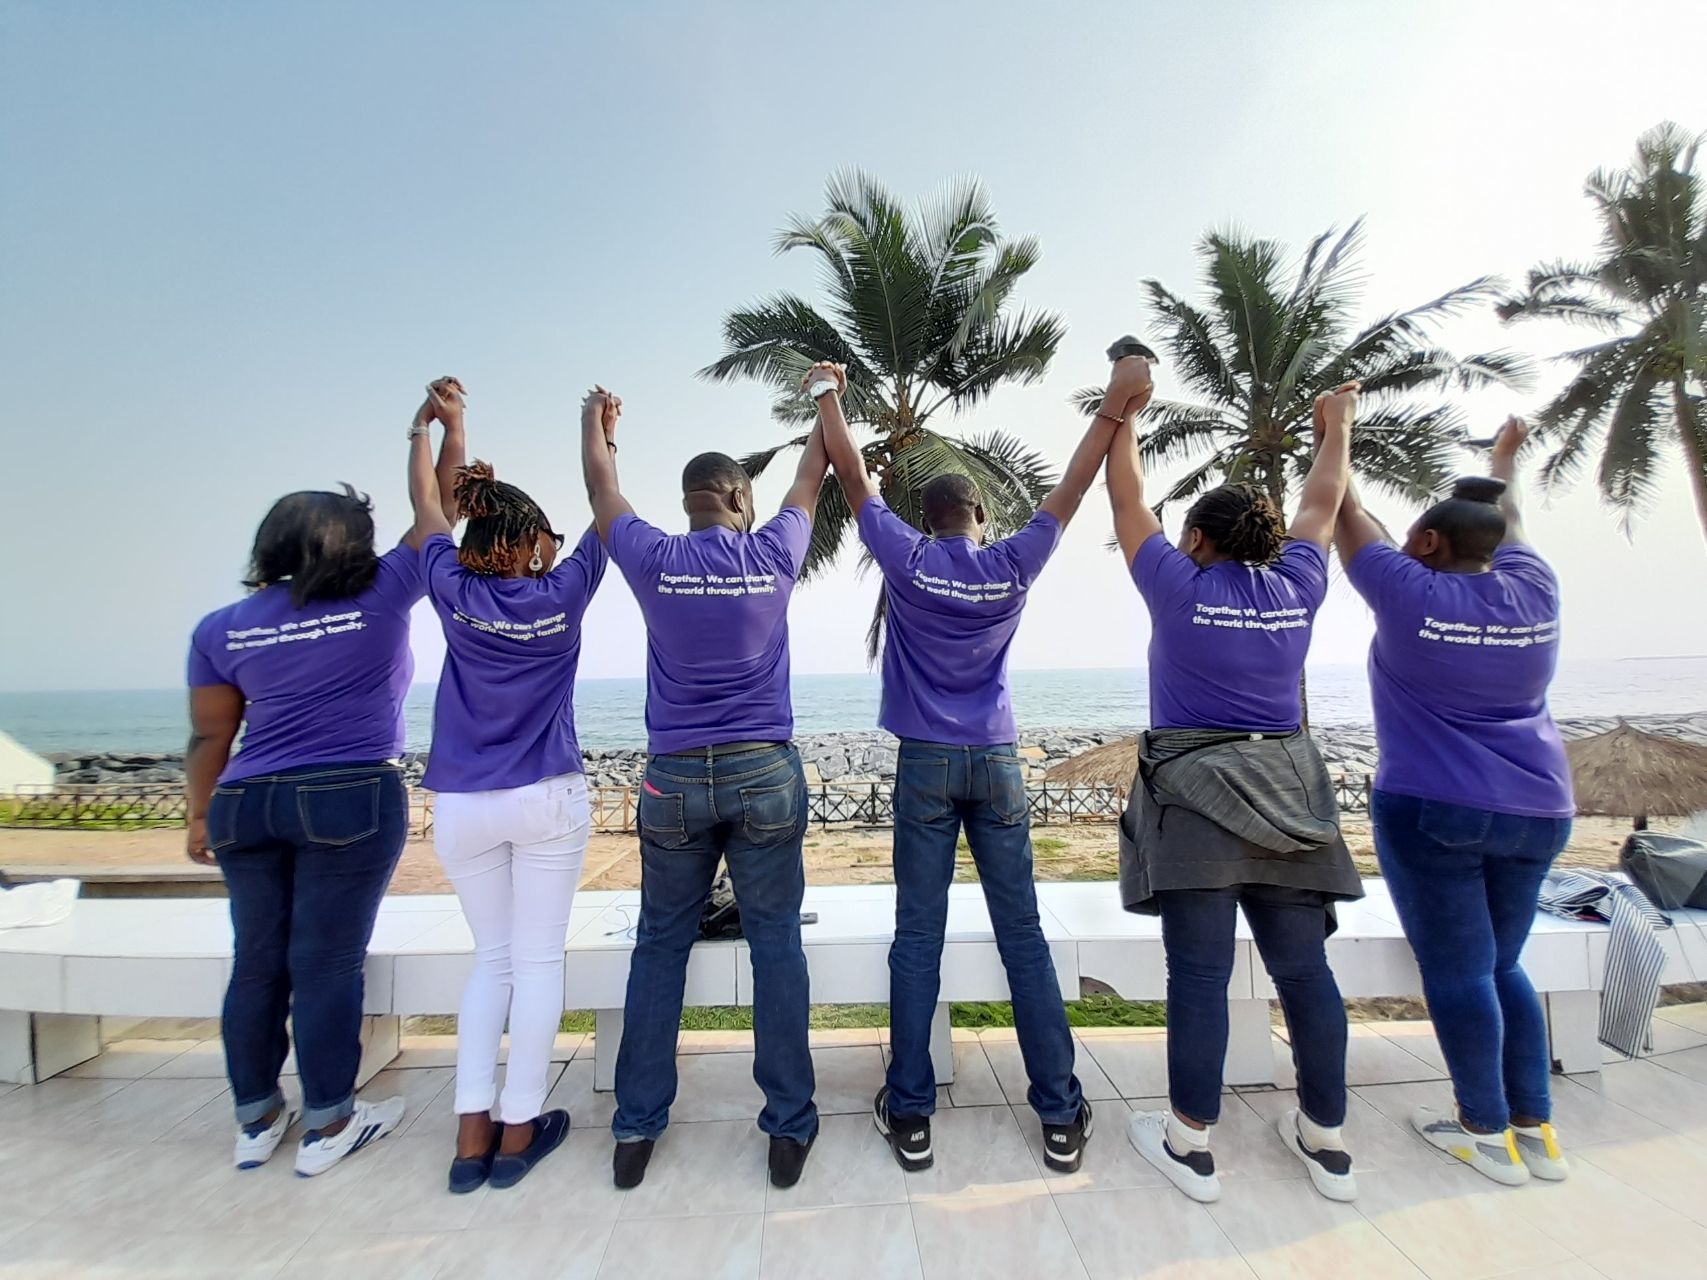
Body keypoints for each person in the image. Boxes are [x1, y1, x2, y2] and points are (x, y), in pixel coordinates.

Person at [803, 358, 1126, 1174]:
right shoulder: (1011, 564)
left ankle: (909, 1112)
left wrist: (827, 392)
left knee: (918, 935)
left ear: (926, 517)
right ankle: (1057, 1112)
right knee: (1023, 934)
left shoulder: (904, 559)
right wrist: (1115, 406)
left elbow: (846, 469)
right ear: (978, 514)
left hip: (925, 766)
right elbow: (1075, 488)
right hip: (996, 762)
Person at [185, 380, 457, 1176]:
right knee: (327, 962)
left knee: (258, 961)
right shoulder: (383, 591)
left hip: (245, 801)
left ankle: (255, 1116)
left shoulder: (221, 627)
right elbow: (437, 513)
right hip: (347, 795)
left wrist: (199, 816)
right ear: (350, 545)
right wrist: (444, 430)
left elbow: (210, 733)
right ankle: (330, 1124)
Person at [1107, 371, 1366, 1205]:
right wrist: (1338, 427)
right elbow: (1321, 503)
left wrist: (1125, 414)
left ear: (1195, 539)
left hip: (1194, 802)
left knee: (1198, 977)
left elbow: (1123, 495)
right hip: (1288, 795)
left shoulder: (1176, 586)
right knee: (1305, 975)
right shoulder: (1297, 584)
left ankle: (1191, 1144)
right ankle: (1325, 1142)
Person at [582, 383, 830, 1191]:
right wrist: (829, 394)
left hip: (674, 779)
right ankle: (788, 1126)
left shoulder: (653, 556)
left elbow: (600, 491)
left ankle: (635, 1129)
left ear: (688, 504)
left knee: (659, 944)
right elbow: (814, 470)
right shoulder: (771, 552)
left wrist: (600, 428)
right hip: (764, 771)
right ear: (735, 497)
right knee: (775, 943)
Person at [1335, 415, 1574, 1187]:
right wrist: (1502, 461)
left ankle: (1482, 1129)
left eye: (1413, 535)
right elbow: (1510, 521)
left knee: (1461, 971)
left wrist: (1334, 430)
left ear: (1430, 544)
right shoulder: (1534, 587)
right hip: (1539, 807)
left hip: (1434, 807)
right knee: (1503, 963)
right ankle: (1534, 1126)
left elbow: (1343, 510)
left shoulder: (1409, 592)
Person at [412, 381, 610, 1193]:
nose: (558, 548)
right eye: (549, 539)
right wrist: (598, 429)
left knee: (489, 963)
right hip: (544, 798)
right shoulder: (563, 594)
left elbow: (428, 506)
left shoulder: (451, 593)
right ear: (530, 545)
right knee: (536, 964)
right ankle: (520, 1128)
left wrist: (434, 429)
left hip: (461, 803)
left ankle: (469, 1141)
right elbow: (612, 507)